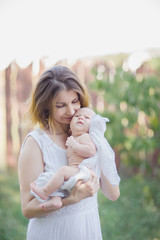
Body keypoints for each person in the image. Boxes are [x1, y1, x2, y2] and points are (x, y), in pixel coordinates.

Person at [18, 65, 120, 240]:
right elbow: (27, 210)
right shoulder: (36, 143)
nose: (71, 111)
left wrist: (101, 145)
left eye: (74, 101)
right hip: (52, 233)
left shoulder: (89, 136)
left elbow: (113, 194)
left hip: (87, 227)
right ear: (45, 106)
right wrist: (71, 199)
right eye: (61, 105)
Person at [30, 107, 96, 209]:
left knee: (62, 171)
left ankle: (45, 192)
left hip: (82, 171)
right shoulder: (73, 138)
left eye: (86, 118)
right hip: (75, 172)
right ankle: (55, 200)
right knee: (55, 179)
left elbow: (91, 151)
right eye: (77, 116)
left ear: (91, 128)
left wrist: (75, 146)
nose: (81, 118)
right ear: (70, 127)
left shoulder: (85, 137)